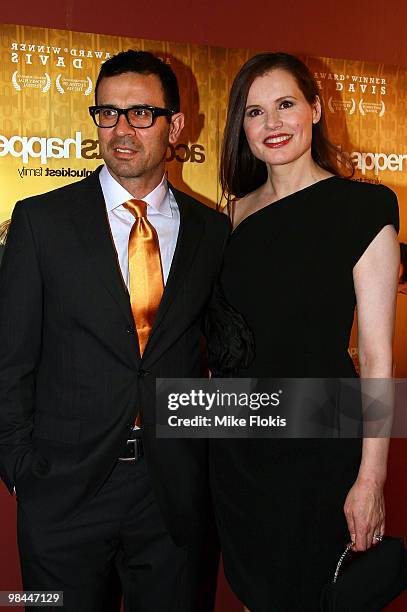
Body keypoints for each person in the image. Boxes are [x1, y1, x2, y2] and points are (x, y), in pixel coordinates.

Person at [0, 50, 230, 612]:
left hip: (171, 496)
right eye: (107, 113)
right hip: (63, 494)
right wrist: (22, 472)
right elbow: (9, 360)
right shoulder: (40, 221)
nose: (121, 130)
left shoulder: (211, 231)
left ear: (176, 125)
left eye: (140, 114)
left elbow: (221, 351)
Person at [209, 52, 400, 612]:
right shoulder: (234, 214)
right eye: (254, 112)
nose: (272, 124)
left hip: (319, 446)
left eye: (286, 104)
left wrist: (371, 480)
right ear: (240, 128)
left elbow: (377, 358)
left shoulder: (364, 208)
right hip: (240, 452)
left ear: (315, 109)